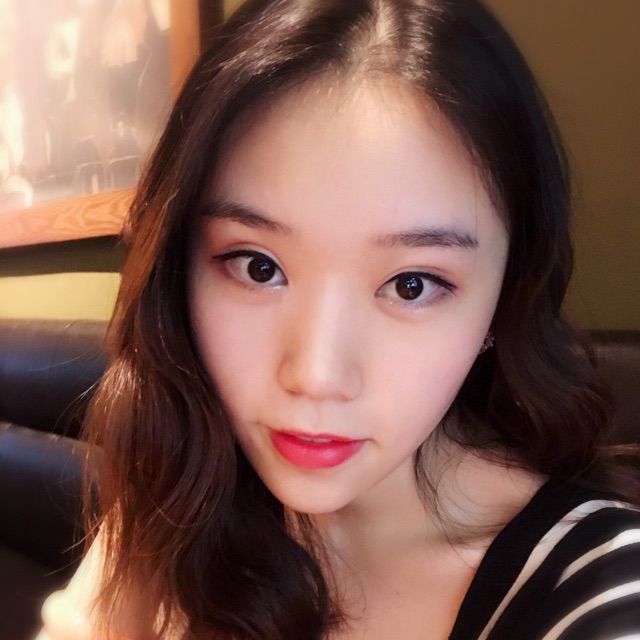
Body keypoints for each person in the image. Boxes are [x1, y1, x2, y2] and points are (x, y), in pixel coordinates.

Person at [36, 1, 640, 638]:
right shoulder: (185, 486)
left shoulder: (597, 590)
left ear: (505, 297)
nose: (317, 376)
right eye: (258, 267)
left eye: (411, 284)